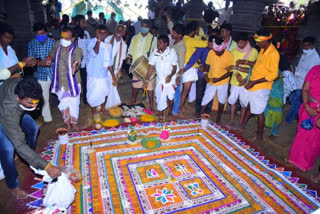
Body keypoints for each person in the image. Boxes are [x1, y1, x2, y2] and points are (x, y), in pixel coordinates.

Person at [0, 77, 61, 199]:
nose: (34, 105)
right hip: (2, 114)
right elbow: (19, 144)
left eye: (36, 102)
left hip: (17, 107)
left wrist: (35, 104)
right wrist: (46, 166)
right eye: (30, 103)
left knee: (33, 127)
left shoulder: (27, 87)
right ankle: (13, 185)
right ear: (18, 98)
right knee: (8, 148)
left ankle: (30, 158)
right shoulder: (9, 109)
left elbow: (34, 100)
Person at [238, 29, 280, 141]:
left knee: (259, 112)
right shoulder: (263, 50)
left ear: (266, 41)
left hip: (261, 87)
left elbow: (274, 75)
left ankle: (260, 136)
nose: (257, 44)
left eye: (258, 42)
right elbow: (258, 65)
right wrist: (246, 62)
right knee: (248, 106)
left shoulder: (273, 54)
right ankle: (242, 126)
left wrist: (254, 82)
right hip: (253, 84)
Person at [48, 27, 83, 131]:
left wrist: (75, 65)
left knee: (74, 103)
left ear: (73, 38)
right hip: (60, 82)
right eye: (62, 37)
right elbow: (53, 51)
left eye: (67, 38)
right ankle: (67, 122)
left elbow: (77, 58)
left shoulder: (77, 49)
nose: (63, 40)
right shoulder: (58, 44)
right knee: (63, 103)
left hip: (73, 83)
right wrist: (50, 57)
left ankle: (74, 122)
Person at [288, 65, 320, 171]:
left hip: (318, 112)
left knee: (314, 140)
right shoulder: (315, 69)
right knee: (301, 134)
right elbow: (305, 89)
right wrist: (307, 106)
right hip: (308, 107)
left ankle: (305, 165)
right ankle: (294, 159)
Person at [285, 37, 320, 124]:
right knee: (295, 101)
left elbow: (310, 75)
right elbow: (301, 68)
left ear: (312, 45)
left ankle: (288, 120)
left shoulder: (314, 58)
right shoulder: (305, 54)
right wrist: (294, 70)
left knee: (296, 104)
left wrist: (295, 72)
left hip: (303, 85)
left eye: (307, 45)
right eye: (303, 45)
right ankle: (297, 118)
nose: (305, 47)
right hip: (297, 82)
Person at [176, 22, 207, 118]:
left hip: (184, 65)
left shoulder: (185, 39)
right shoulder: (190, 40)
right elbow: (206, 43)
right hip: (188, 67)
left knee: (184, 90)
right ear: (193, 31)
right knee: (185, 91)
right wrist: (201, 35)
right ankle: (180, 110)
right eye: (197, 30)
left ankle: (182, 107)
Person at [227, 32, 258, 126]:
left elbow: (253, 69)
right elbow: (232, 67)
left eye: (241, 43)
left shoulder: (253, 52)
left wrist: (244, 79)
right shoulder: (234, 51)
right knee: (232, 101)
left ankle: (241, 123)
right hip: (235, 81)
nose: (239, 45)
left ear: (246, 42)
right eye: (238, 43)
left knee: (244, 104)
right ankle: (231, 120)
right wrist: (237, 76)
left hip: (247, 82)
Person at [28, 22, 56, 126]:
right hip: (40, 74)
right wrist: (37, 63)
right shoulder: (31, 44)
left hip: (54, 72)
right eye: (37, 34)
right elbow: (30, 59)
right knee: (44, 97)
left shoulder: (53, 42)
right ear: (34, 34)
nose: (40, 36)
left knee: (62, 95)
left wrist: (50, 61)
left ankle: (67, 115)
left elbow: (58, 57)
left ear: (46, 32)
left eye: (42, 33)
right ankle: (48, 119)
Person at [201, 37, 234, 123]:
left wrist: (219, 79)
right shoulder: (211, 52)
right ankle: (200, 115)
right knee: (206, 97)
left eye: (218, 52)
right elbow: (207, 64)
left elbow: (229, 72)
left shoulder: (229, 55)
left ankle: (218, 119)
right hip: (211, 79)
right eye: (215, 51)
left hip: (223, 81)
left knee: (221, 99)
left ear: (224, 49)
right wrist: (205, 74)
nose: (216, 53)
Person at [126, 19, 157, 110]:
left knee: (150, 87)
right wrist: (128, 56)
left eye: (146, 26)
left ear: (149, 28)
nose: (144, 28)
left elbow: (155, 52)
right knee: (135, 85)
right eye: (143, 26)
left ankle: (151, 106)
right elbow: (131, 49)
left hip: (148, 66)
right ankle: (133, 100)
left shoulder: (153, 39)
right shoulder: (134, 37)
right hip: (136, 65)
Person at [144, 35, 177, 119]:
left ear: (166, 44)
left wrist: (171, 75)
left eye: (160, 43)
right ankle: (161, 112)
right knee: (159, 96)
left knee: (171, 96)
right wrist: (147, 80)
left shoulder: (172, 52)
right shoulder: (154, 53)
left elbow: (175, 67)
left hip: (170, 79)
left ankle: (170, 112)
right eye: (158, 42)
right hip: (160, 80)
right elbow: (150, 67)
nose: (158, 44)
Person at [86, 25, 116, 116]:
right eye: (100, 32)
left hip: (103, 74)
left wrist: (113, 76)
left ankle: (102, 108)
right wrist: (98, 41)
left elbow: (109, 63)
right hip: (93, 74)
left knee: (105, 91)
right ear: (96, 33)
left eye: (104, 33)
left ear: (107, 34)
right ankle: (93, 111)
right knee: (92, 94)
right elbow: (94, 53)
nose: (102, 34)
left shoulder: (108, 46)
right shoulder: (91, 42)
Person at [184, 36, 215, 118]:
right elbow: (193, 59)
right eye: (209, 42)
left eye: (212, 43)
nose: (210, 45)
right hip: (202, 75)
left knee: (210, 94)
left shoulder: (217, 52)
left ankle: (207, 111)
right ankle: (198, 111)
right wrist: (185, 69)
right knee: (199, 94)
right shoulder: (202, 50)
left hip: (212, 75)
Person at [165, 12, 186, 116]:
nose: (171, 34)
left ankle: (175, 110)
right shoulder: (175, 40)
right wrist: (168, 17)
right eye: (172, 32)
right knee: (171, 89)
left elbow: (181, 67)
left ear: (179, 35)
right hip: (172, 69)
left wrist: (178, 77)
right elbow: (171, 26)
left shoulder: (181, 48)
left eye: (174, 33)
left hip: (177, 72)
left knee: (177, 91)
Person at [105, 25, 127, 108]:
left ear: (124, 33)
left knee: (113, 87)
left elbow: (122, 59)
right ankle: (103, 104)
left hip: (115, 69)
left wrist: (120, 70)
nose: (118, 32)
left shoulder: (124, 45)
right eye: (118, 30)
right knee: (105, 86)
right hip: (105, 68)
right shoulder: (107, 39)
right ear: (115, 31)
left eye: (121, 31)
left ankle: (110, 104)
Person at [75, 15, 90, 105]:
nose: (85, 24)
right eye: (83, 22)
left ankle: (85, 99)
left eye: (85, 22)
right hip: (75, 62)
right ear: (77, 23)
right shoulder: (73, 33)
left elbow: (88, 47)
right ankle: (76, 100)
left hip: (85, 62)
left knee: (85, 82)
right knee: (76, 82)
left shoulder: (86, 33)